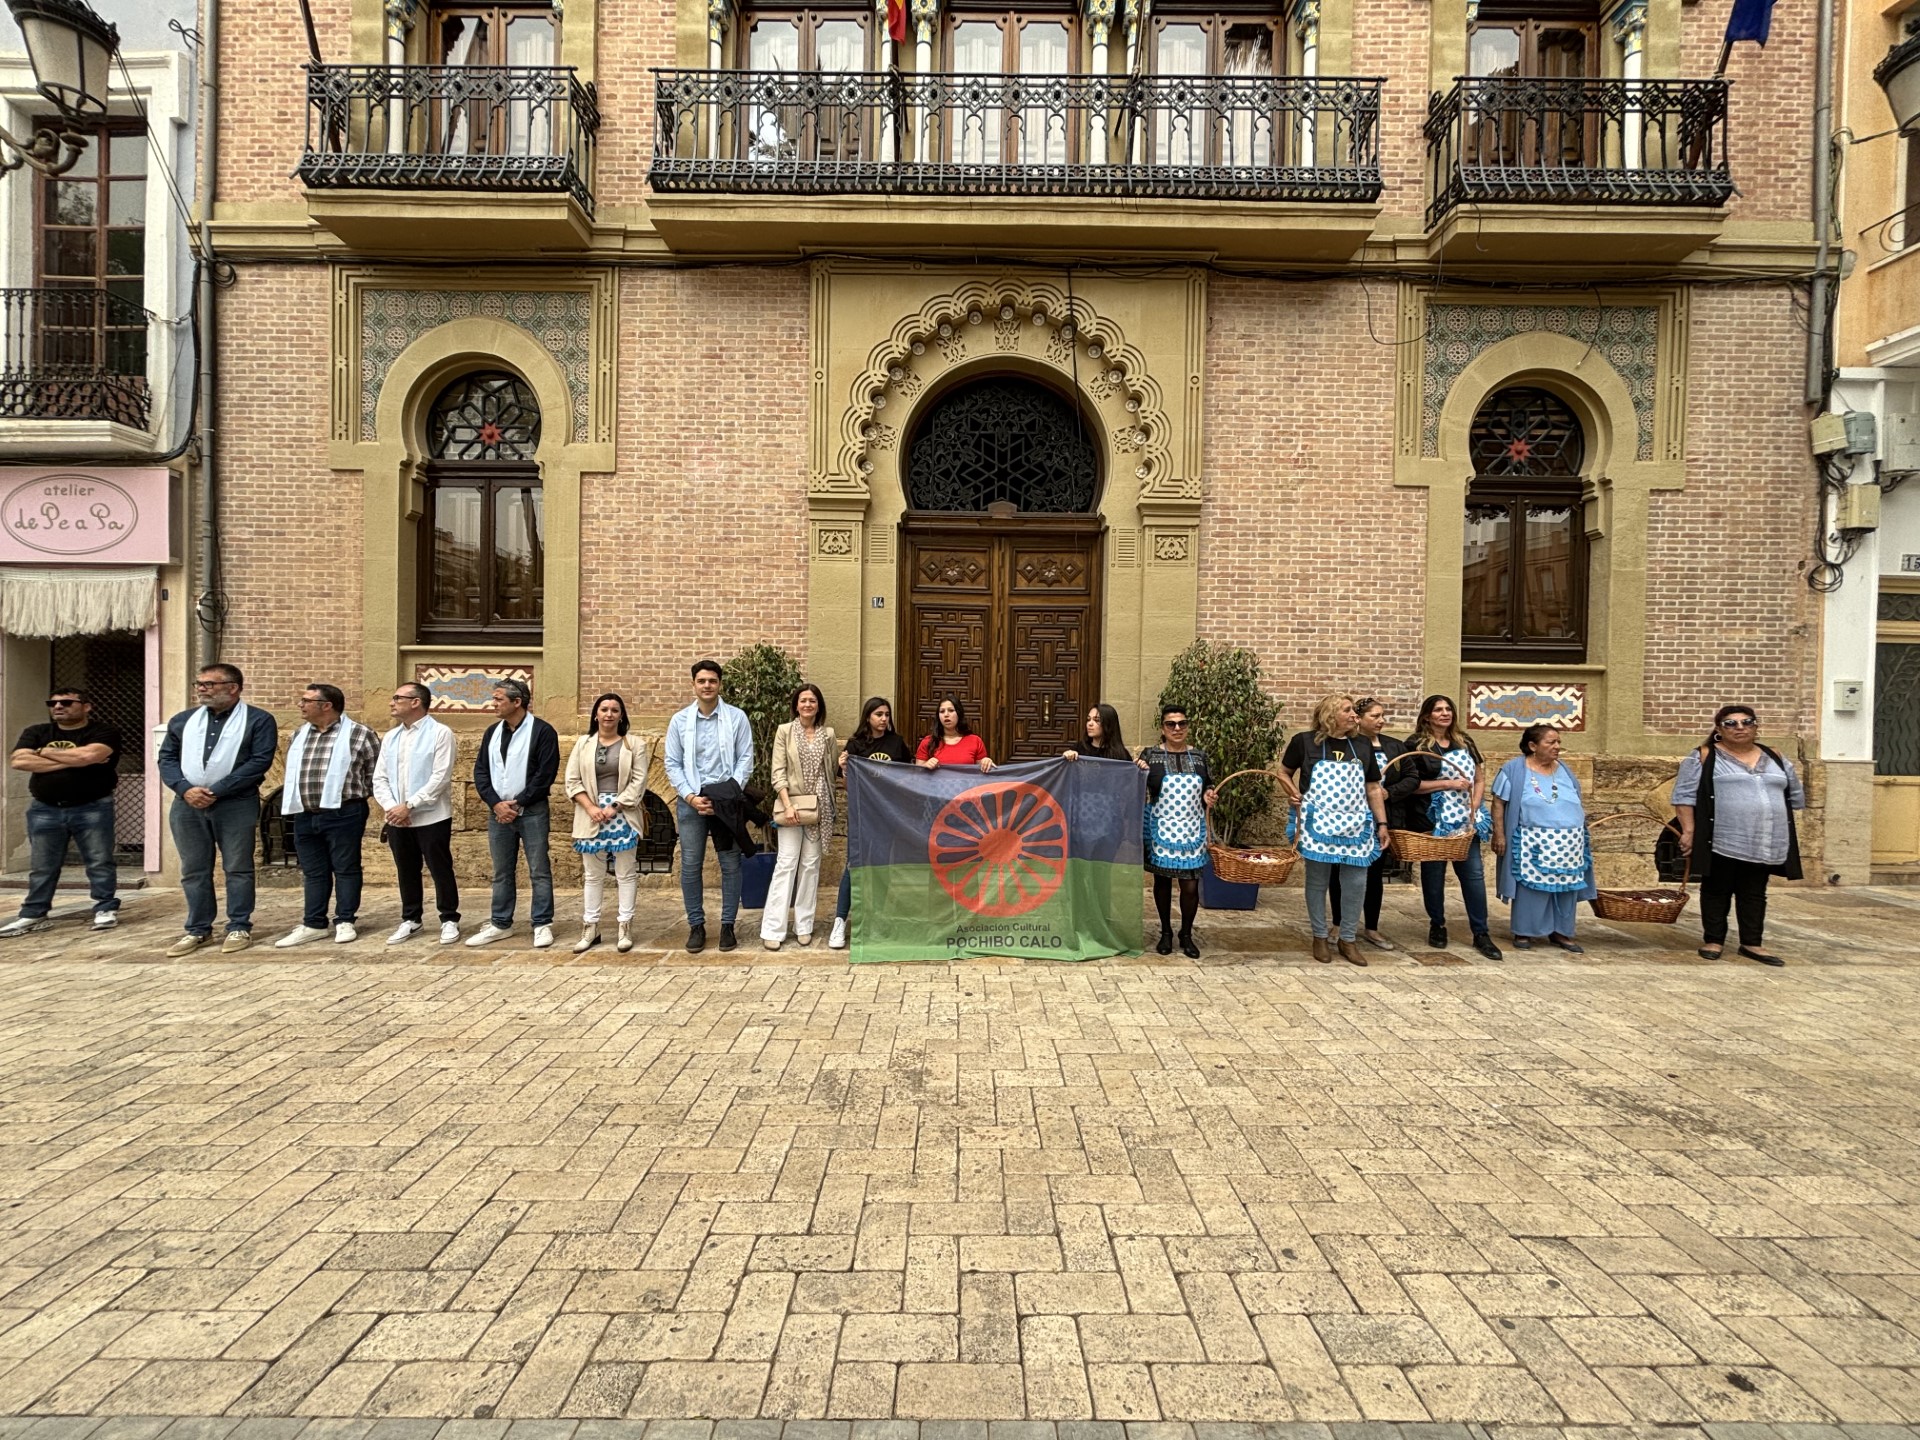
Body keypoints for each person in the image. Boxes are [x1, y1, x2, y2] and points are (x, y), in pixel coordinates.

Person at [155, 664, 280, 956]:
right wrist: (185, 789)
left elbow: (259, 762)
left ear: (233, 688)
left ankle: (239, 926)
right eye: (199, 683)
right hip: (188, 804)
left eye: (209, 684)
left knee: (238, 867)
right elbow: (167, 758)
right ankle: (198, 930)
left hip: (235, 803)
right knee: (193, 869)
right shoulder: (183, 720)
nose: (201, 689)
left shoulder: (258, 720)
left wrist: (217, 790)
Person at [1671, 704, 1804, 966]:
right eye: (1731, 723)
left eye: (1747, 722)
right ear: (1719, 729)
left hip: (1765, 837)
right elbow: (1683, 796)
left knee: (1754, 891)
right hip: (1722, 836)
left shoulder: (1775, 755)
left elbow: (1794, 793)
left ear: (1756, 726)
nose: (1740, 727)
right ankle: (1713, 940)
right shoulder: (1703, 755)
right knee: (1716, 888)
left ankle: (1752, 943)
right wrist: (1689, 830)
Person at [0, 687, 123, 938]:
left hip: (92, 806)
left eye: (66, 702)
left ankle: (105, 908)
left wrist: (42, 752)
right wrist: (75, 760)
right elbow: (18, 761)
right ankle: (34, 914)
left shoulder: (103, 731)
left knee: (99, 861)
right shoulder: (37, 731)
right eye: (53, 703)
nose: (58, 707)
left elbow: (90, 755)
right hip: (45, 808)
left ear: (86, 706)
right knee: (42, 865)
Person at [1282, 694, 1388, 966]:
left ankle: (1348, 939)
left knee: (1356, 882)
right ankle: (1319, 936)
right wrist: (1293, 794)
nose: (1354, 715)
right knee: (1317, 881)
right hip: (1318, 823)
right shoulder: (1304, 742)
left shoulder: (1362, 745)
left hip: (1356, 824)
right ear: (1330, 715)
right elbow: (1283, 771)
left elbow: (1373, 787)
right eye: (1347, 710)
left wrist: (1382, 823)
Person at [273, 683, 381, 948]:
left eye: (306, 700)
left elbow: (375, 773)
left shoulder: (360, 734)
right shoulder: (299, 734)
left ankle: (345, 920)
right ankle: (314, 923)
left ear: (326, 705)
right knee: (314, 871)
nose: (300, 705)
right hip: (304, 813)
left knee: (346, 867)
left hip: (344, 812)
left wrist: (352, 798)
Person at [664, 658, 755, 954]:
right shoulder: (679, 721)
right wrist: (690, 796)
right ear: (693, 684)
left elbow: (745, 759)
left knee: (730, 863)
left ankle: (728, 925)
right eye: (701, 681)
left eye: (712, 681)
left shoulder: (737, 718)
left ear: (720, 684)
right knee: (691, 864)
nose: (707, 686)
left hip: (726, 801)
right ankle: (696, 925)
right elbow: (672, 763)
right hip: (692, 801)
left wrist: (727, 795)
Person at [1405, 693, 1503, 961]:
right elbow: (1411, 785)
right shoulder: (1416, 744)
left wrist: (1474, 805)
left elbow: (1479, 778)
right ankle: (1437, 924)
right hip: (1432, 821)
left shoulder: (1465, 741)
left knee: (1473, 876)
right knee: (1433, 876)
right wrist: (1447, 784)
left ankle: (1481, 933)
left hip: (1465, 821)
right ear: (1427, 716)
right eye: (1438, 709)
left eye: (1448, 709)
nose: (1445, 713)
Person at [468, 678, 561, 949]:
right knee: (501, 871)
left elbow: (545, 774)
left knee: (539, 869)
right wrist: (496, 804)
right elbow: (481, 771)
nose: (493, 704)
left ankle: (542, 923)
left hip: (532, 811)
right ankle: (500, 923)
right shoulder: (492, 732)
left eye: (499, 699)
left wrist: (518, 802)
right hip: (498, 813)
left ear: (517, 702)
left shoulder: (542, 731)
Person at [1490, 724, 1596, 951]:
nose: (1557, 746)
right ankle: (1525, 931)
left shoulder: (1564, 769)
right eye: (1551, 742)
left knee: (1566, 886)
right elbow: (1498, 802)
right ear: (1532, 745)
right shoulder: (1513, 770)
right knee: (1531, 887)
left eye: (1558, 742)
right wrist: (1499, 834)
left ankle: (1561, 932)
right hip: (1532, 841)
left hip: (1569, 843)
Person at [1327, 697, 1420, 952]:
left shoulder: (1394, 746)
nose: (1381, 721)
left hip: (1380, 817)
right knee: (1340, 871)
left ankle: (1371, 927)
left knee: (1375, 874)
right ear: (1359, 718)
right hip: (1349, 818)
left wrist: (1389, 793)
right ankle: (1338, 923)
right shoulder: (1351, 745)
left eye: (1382, 716)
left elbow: (1412, 777)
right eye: (1375, 716)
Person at [373, 681, 460, 946]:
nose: (392, 702)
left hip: (431, 815)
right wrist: (392, 807)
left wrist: (410, 805)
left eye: (397, 698)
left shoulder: (440, 733)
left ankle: (449, 918)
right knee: (406, 868)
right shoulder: (391, 737)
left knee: (439, 867)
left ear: (416, 702)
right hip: (397, 817)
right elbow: (380, 777)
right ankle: (411, 918)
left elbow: (440, 777)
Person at [565, 692, 651, 955]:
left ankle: (625, 925)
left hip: (622, 813)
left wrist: (614, 806)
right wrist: (591, 808)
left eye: (615, 710)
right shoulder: (583, 744)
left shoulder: (634, 744)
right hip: (590, 814)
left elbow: (638, 781)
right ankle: (590, 927)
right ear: (596, 714)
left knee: (626, 873)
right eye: (604, 709)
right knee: (593, 875)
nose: (609, 714)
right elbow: (572, 780)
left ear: (621, 715)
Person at [830, 695, 914, 950]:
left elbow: (908, 775)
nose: (883, 719)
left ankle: (879, 919)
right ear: (868, 717)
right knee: (853, 865)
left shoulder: (897, 743)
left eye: (887, 714)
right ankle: (840, 921)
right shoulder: (855, 745)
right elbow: (847, 785)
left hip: (888, 815)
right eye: (879, 714)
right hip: (862, 814)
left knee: (883, 867)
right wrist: (844, 767)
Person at [762, 683, 840, 950]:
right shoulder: (784, 731)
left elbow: (831, 771)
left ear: (819, 706)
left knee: (810, 866)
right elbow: (778, 771)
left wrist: (842, 766)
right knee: (786, 864)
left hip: (819, 809)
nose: (808, 705)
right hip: (792, 807)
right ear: (796, 705)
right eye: (803, 700)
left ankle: (804, 925)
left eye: (813, 701)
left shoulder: (828, 734)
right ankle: (773, 928)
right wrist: (787, 805)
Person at [1139, 703, 1218, 958]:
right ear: (1162, 728)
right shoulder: (1150, 755)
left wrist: (1209, 795)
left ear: (1187, 726)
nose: (1177, 728)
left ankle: (1186, 933)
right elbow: (1135, 784)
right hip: (1161, 828)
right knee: (1162, 883)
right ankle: (1165, 932)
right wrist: (1137, 769)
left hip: (1192, 829)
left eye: (1182, 723)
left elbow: (1209, 785)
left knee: (1190, 886)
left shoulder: (1200, 757)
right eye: (1171, 724)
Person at [917, 698, 996, 771]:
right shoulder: (927, 742)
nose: (946, 714)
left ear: (959, 713)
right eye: (942, 711)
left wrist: (986, 762)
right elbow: (917, 773)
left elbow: (982, 772)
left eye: (951, 710)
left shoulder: (975, 741)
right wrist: (926, 765)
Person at [1064, 704, 1129, 761]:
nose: (1090, 724)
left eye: (1097, 720)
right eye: (1088, 719)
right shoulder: (1078, 750)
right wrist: (1067, 757)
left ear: (1108, 724)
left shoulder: (1121, 755)